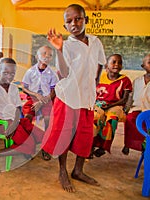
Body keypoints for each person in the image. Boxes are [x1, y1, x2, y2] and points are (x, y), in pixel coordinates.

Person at [42, 4, 106, 192]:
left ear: (86, 20)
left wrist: (95, 81)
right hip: (67, 97)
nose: (74, 23)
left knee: (85, 136)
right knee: (65, 134)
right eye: (69, 21)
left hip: (86, 97)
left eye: (78, 18)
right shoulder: (67, 45)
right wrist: (60, 49)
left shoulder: (95, 42)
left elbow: (101, 62)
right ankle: (63, 171)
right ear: (65, 26)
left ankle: (78, 170)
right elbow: (63, 72)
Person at [0, 58, 45, 173]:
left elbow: (18, 107)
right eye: (5, 72)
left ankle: (24, 148)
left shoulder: (13, 88)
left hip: (16, 121)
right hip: (1, 123)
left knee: (42, 136)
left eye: (12, 73)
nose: (9, 76)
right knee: (29, 146)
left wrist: (15, 123)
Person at [22, 45, 59, 161]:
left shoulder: (52, 74)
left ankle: (45, 148)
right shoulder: (30, 71)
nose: (47, 57)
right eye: (44, 53)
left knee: (48, 121)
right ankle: (26, 147)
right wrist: (35, 95)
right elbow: (24, 87)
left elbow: (54, 92)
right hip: (32, 100)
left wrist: (42, 101)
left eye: (50, 55)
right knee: (26, 119)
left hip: (47, 101)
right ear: (37, 55)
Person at [92, 54, 132, 157]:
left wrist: (110, 106)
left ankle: (103, 147)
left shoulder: (125, 80)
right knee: (95, 118)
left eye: (119, 62)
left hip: (116, 105)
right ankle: (91, 145)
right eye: (113, 62)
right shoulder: (100, 78)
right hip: (99, 104)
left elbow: (124, 99)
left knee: (111, 119)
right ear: (106, 65)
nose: (117, 64)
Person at [122, 53, 150, 155]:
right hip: (136, 108)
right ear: (143, 66)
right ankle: (128, 144)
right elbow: (130, 97)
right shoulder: (137, 81)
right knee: (130, 120)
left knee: (148, 126)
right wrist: (126, 110)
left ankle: (145, 146)